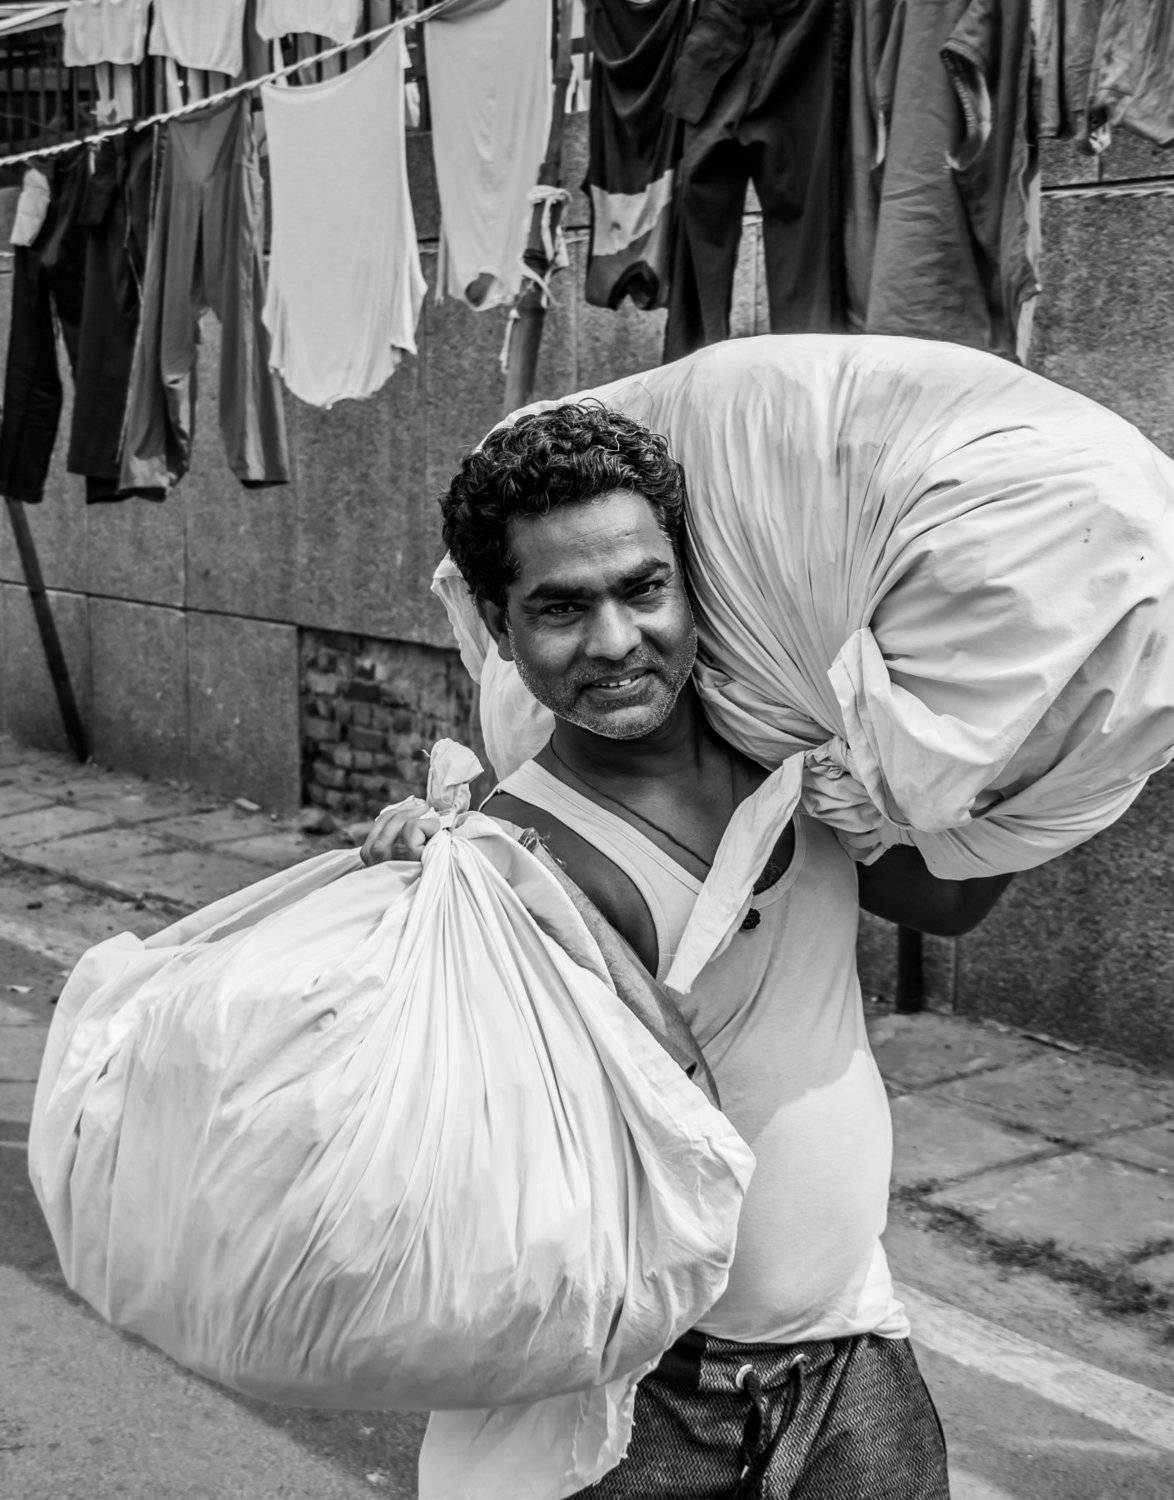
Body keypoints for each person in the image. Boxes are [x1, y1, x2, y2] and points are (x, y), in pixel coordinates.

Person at [363, 403, 1012, 1498]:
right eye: (560, 607)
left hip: (853, 1363)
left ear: (692, 583)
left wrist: (999, 758)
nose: (616, 641)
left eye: (643, 588)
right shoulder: (513, 863)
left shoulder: (798, 761)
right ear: (498, 624)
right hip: (633, 1410)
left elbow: (948, 902)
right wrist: (419, 907)